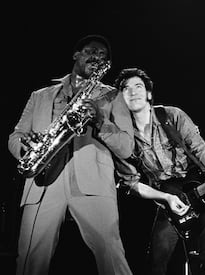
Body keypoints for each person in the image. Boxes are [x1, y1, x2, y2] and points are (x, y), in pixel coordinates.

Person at [8, 34, 133, 275]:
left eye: (102, 56)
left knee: (112, 256)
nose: (96, 57)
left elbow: (127, 147)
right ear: (76, 55)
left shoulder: (112, 96)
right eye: (90, 51)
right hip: (43, 180)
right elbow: (16, 136)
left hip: (93, 181)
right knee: (30, 260)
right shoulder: (40, 95)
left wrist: (99, 120)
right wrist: (26, 147)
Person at [109, 67, 205, 275]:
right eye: (125, 89)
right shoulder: (122, 138)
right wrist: (166, 198)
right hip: (169, 198)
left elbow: (201, 149)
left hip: (202, 189)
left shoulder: (171, 115)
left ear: (148, 94)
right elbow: (132, 184)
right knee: (157, 262)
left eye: (138, 86)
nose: (133, 92)